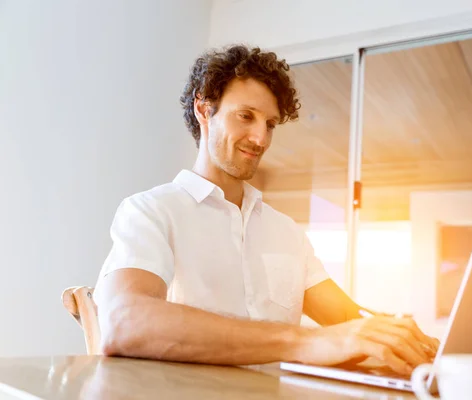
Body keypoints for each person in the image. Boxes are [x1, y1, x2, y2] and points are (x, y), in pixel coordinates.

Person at [94, 44, 439, 376]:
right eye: (245, 116)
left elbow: (348, 320)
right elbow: (124, 321)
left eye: (270, 124)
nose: (260, 139)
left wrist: (402, 337)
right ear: (203, 109)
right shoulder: (151, 211)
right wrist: (302, 341)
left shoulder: (287, 232)